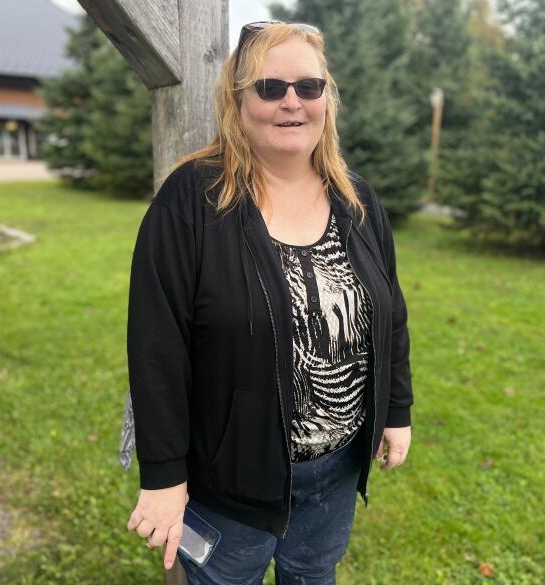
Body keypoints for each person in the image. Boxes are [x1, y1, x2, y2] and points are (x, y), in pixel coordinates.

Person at [123, 20, 413, 584]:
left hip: (335, 470)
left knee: (313, 573)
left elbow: (391, 315)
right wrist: (163, 477)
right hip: (230, 483)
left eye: (309, 87)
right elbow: (157, 345)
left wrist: (395, 412)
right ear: (237, 99)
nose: (292, 103)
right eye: (269, 87)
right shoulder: (193, 199)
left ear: (327, 98)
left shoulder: (356, 200)